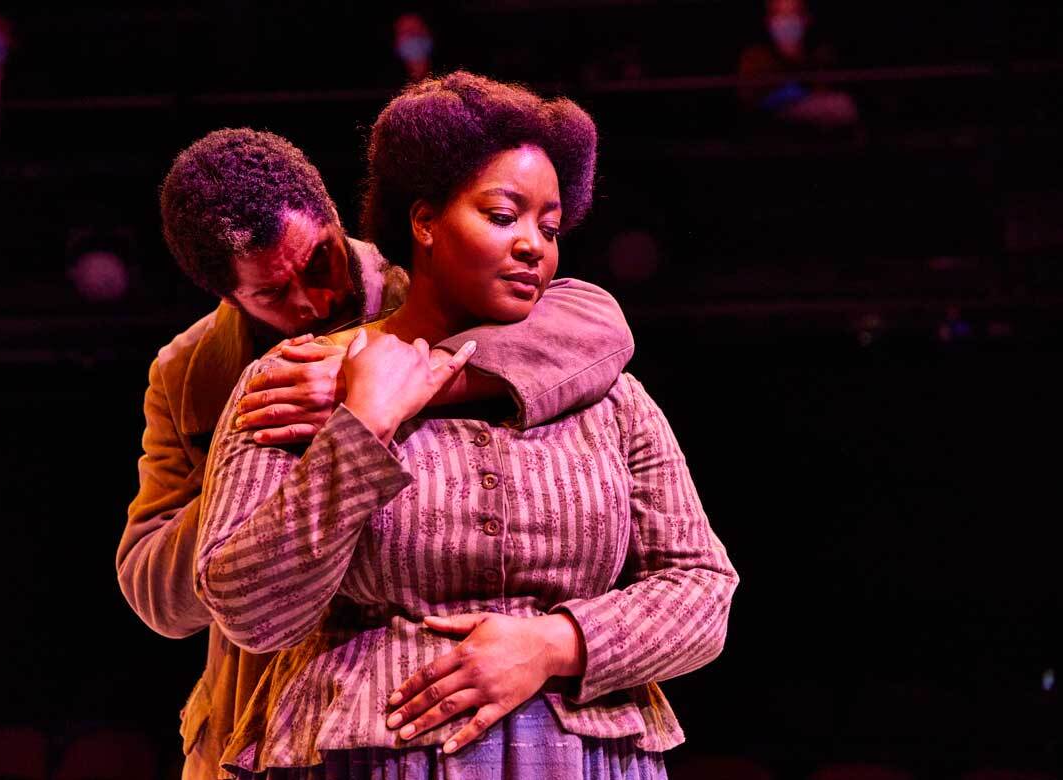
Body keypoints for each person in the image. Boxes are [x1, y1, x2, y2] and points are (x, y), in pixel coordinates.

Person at [195, 72, 738, 778]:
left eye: (549, 227)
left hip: (586, 759)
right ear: (425, 221)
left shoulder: (611, 398)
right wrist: (359, 432)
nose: (533, 246)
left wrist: (554, 644)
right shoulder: (300, 382)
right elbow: (249, 609)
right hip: (374, 754)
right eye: (503, 215)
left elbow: (701, 592)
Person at [117, 127, 638, 779]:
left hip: (415, 705)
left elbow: (600, 326)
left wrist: (390, 380)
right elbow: (151, 590)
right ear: (227, 295)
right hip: (256, 712)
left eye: (320, 262)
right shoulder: (189, 373)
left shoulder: (422, 280)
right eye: (272, 295)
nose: (313, 300)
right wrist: (252, 471)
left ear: (334, 221)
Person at [737, 0, 858, 131]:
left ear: (806, 19)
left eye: (793, 13)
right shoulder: (755, 57)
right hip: (770, 135)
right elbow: (751, 102)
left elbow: (830, 93)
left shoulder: (821, 55)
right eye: (779, 14)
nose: (786, 21)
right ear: (768, 20)